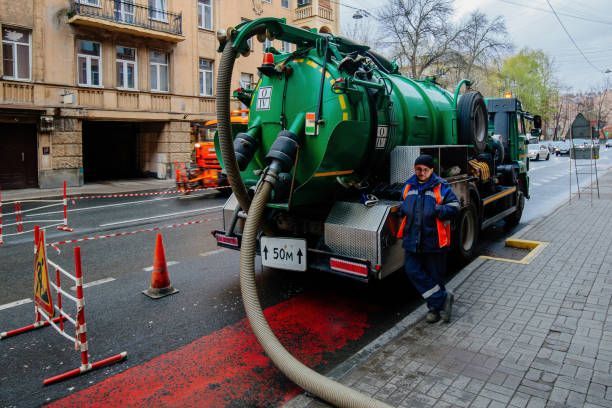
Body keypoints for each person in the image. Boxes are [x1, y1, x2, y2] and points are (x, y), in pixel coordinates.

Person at [397, 154, 460, 323]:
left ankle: (434, 310)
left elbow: (455, 207)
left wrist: (438, 210)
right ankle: (442, 299)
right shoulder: (409, 186)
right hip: (412, 239)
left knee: (435, 276)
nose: (422, 172)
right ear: (414, 169)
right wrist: (403, 210)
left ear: (432, 170)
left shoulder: (441, 186)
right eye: (418, 169)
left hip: (434, 240)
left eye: (425, 169)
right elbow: (402, 203)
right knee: (412, 270)